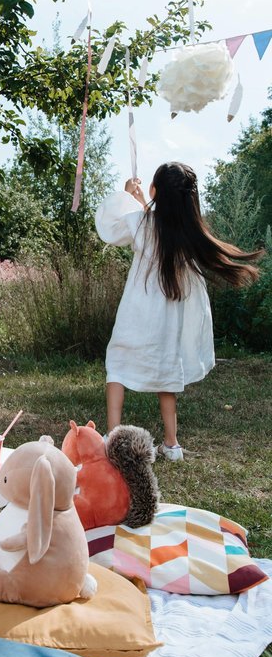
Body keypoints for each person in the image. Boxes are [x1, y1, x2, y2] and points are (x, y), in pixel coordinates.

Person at [95, 162, 262, 461]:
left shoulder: (142, 222)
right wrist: (141, 202)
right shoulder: (185, 234)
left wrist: (125, 195)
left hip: (136, 315)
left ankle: (114, 436)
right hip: (168, 321)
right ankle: (172, 445)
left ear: (155, 190)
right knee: (166, 375)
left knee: (117, 365)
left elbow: (114, 226)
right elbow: (156, 222)